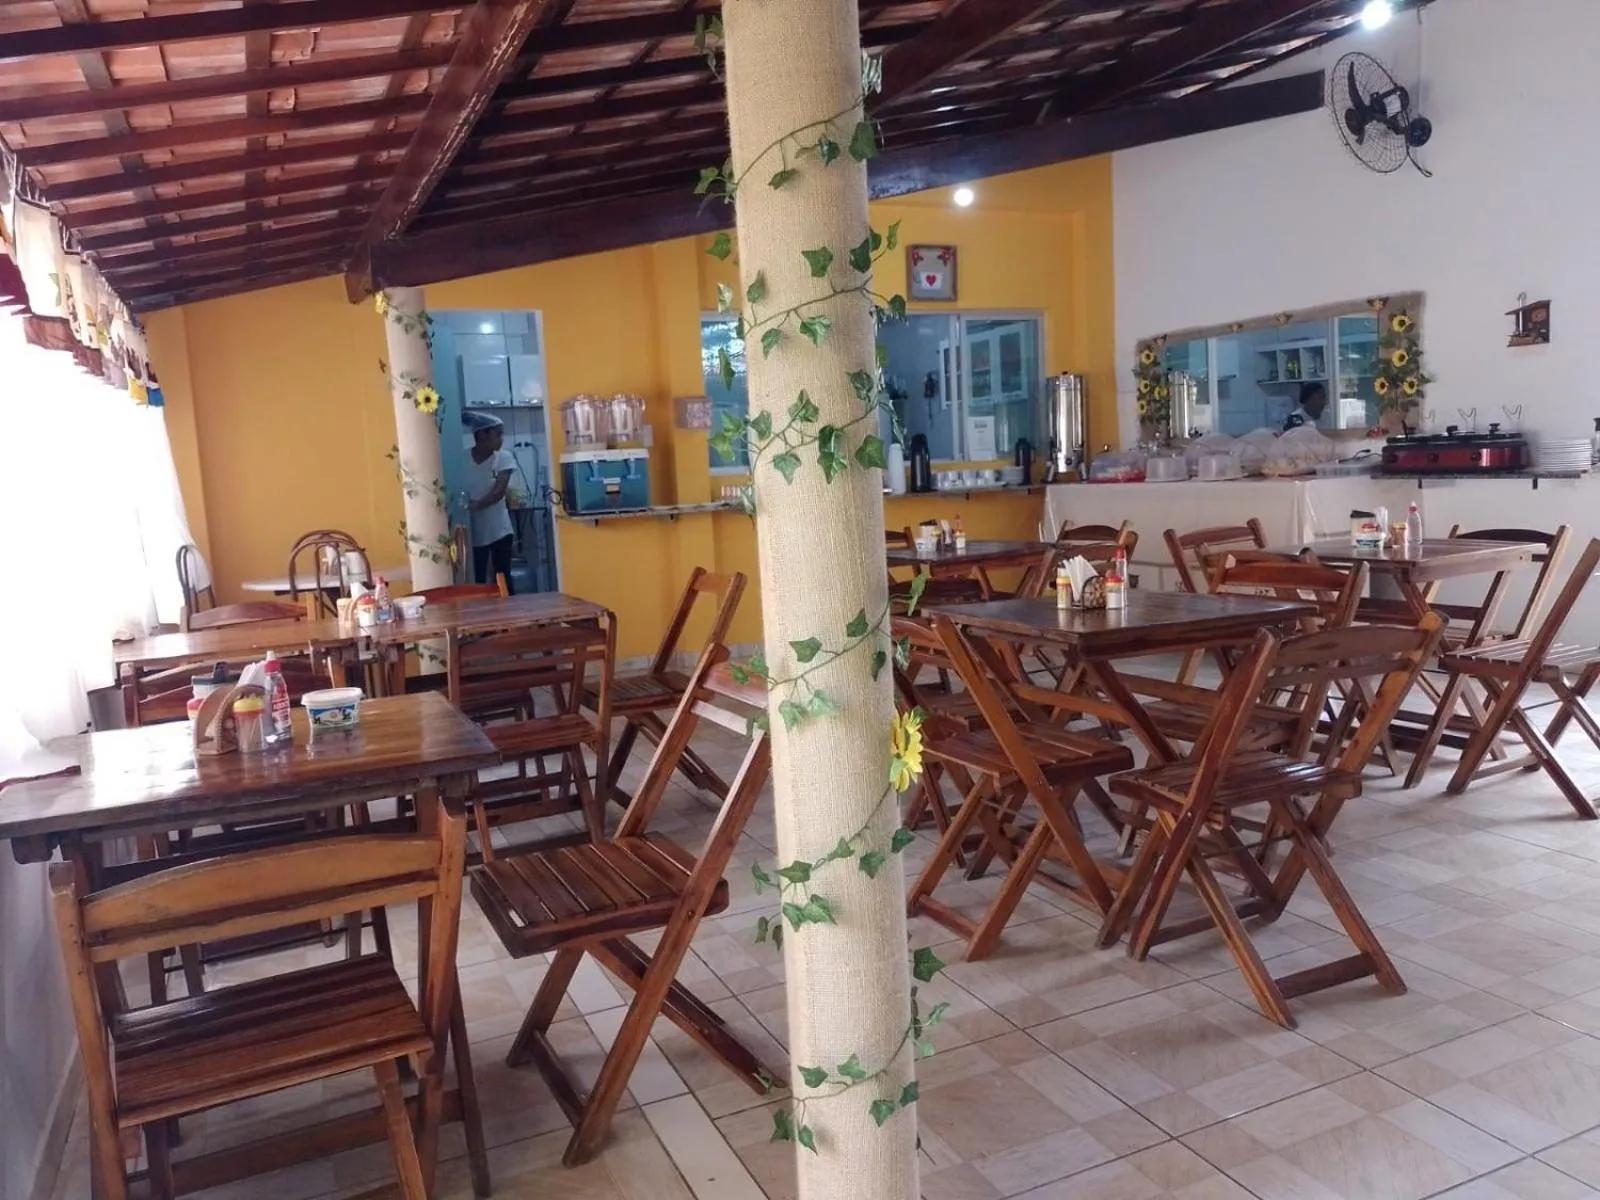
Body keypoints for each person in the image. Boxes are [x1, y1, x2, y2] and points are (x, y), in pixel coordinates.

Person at [463, 412, 516, 592]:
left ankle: (510, 614)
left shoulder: (504, 458)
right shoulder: (462, 460)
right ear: (483, 435)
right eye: (497, 435)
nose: (501, 440)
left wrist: (474, 507)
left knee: (502, 575)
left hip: (500, 530)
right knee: (477, 578)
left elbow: (498, 491)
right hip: (474, 531)